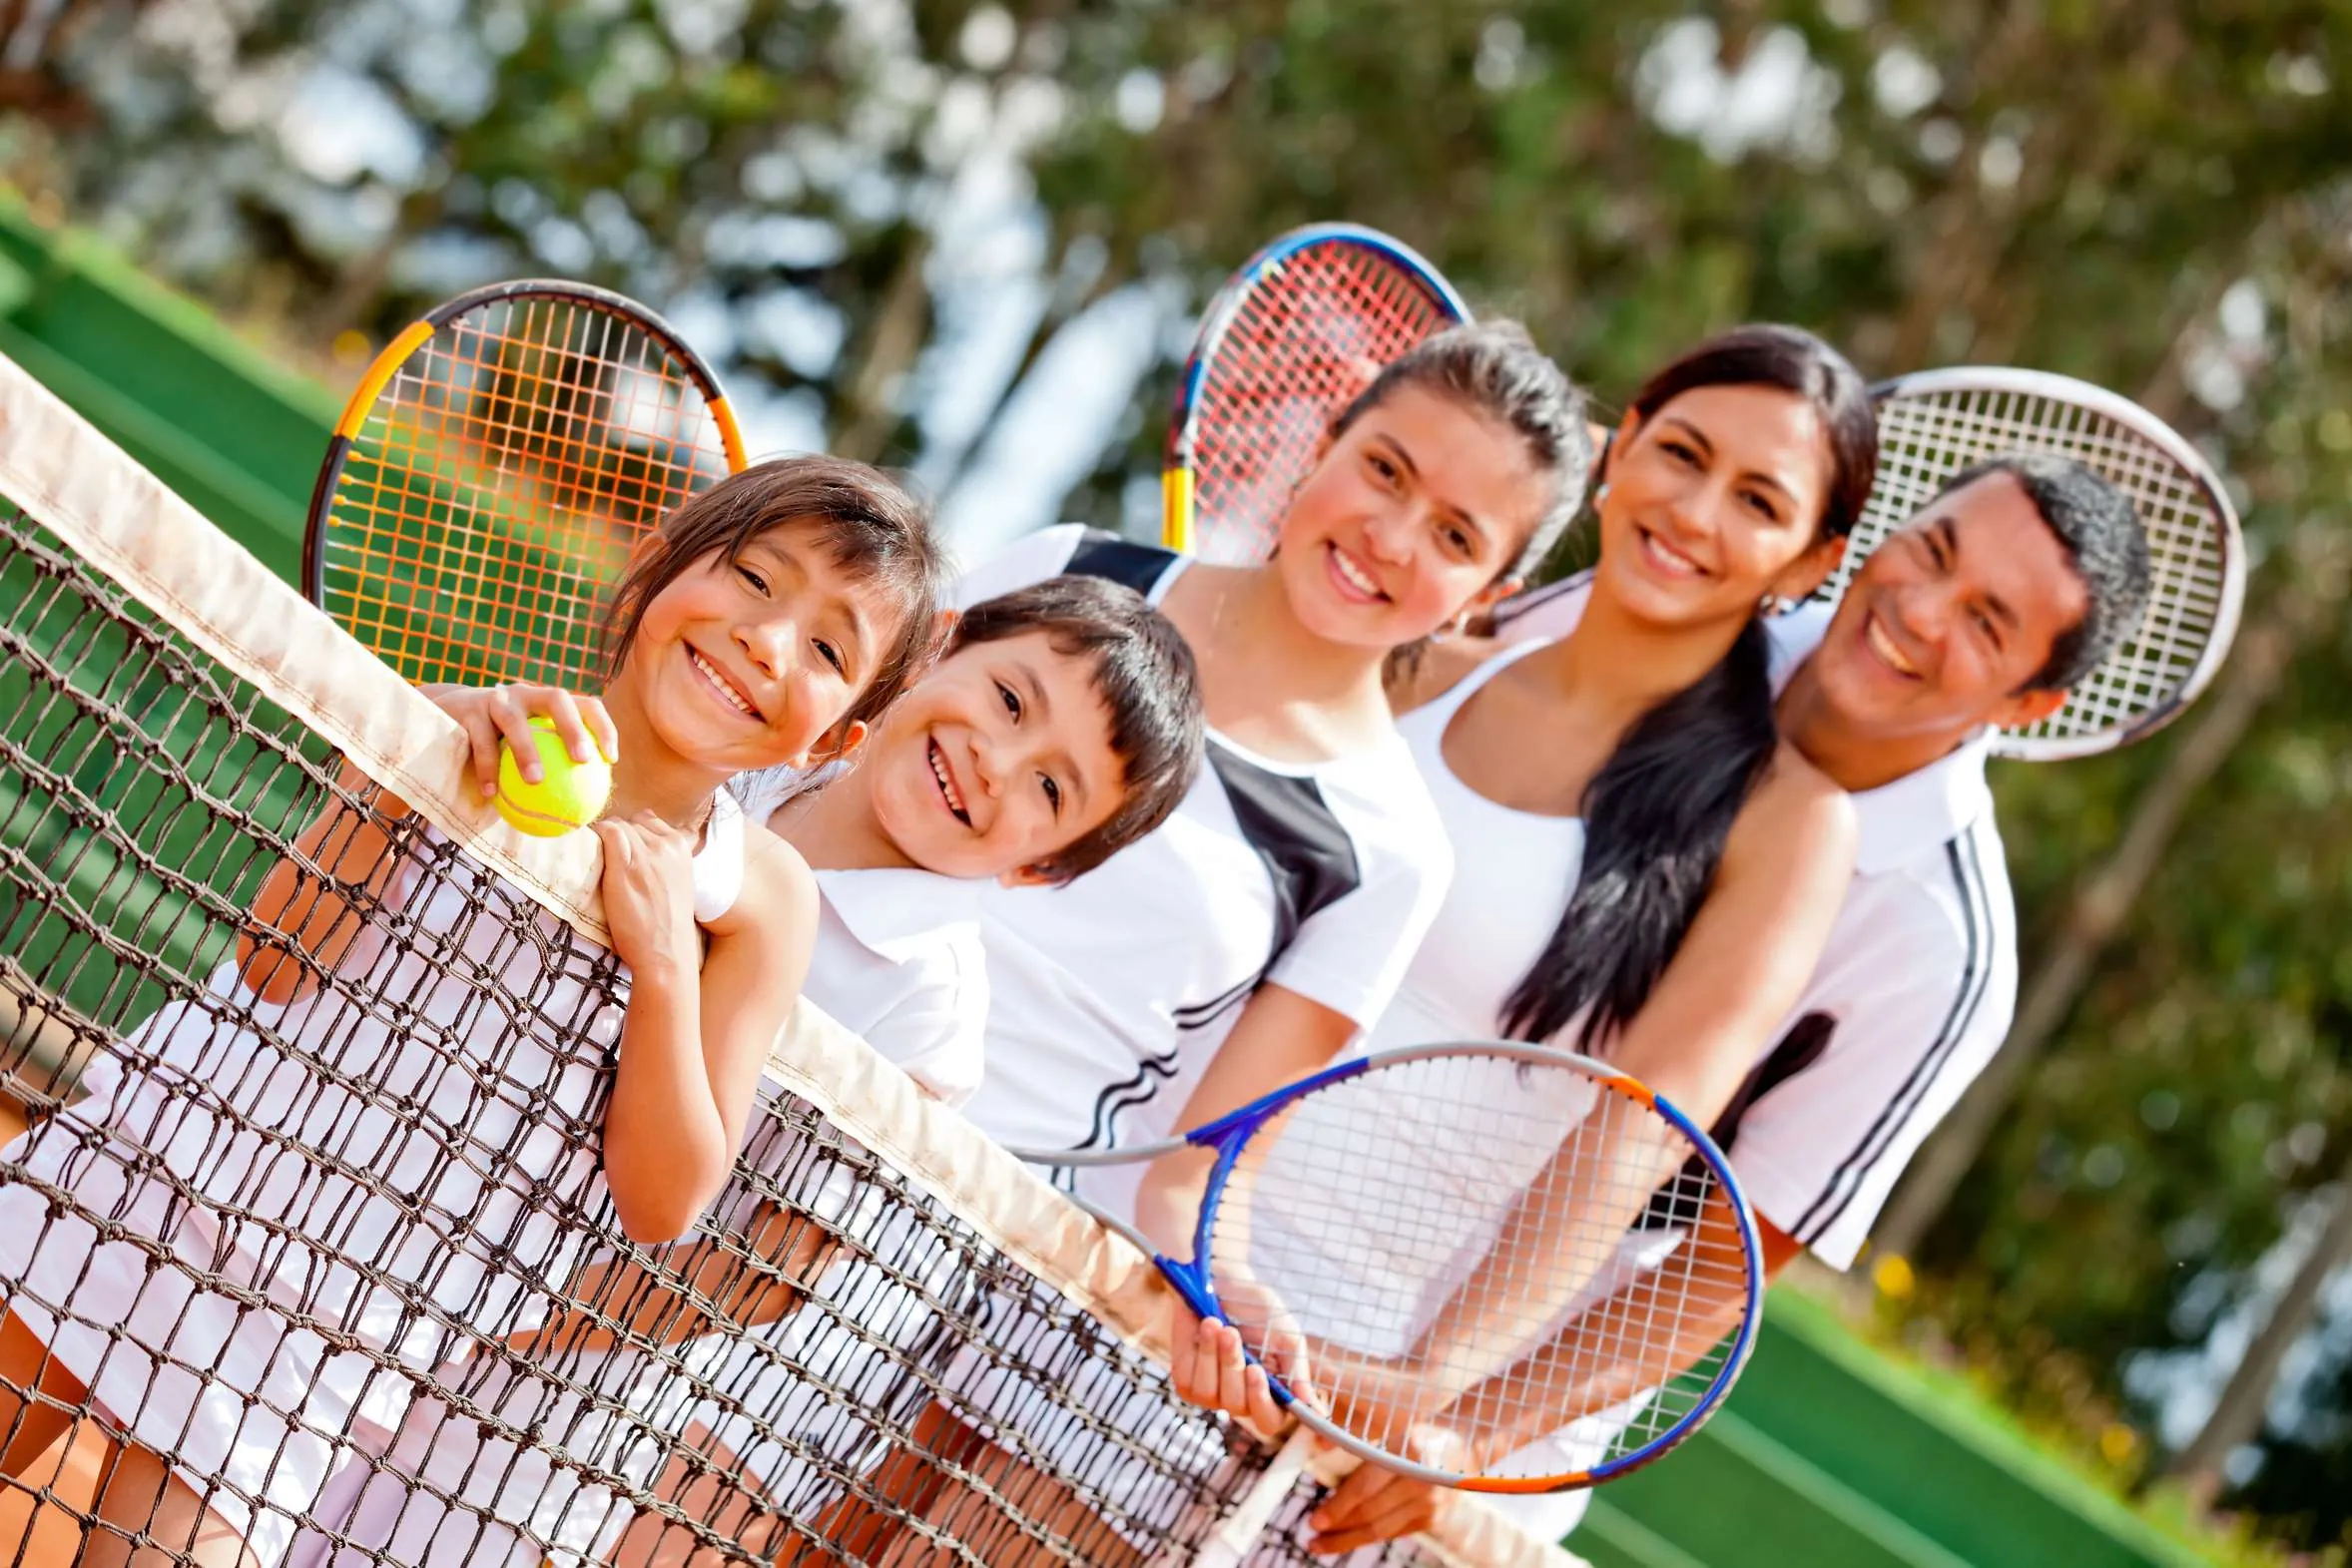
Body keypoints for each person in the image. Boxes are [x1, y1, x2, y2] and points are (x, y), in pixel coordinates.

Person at [0, 456, 945, 1568]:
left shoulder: (762, 899)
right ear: (655, 564)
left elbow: (665, 1196)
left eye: (830, 649)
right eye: (751, 576)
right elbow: (274, 958)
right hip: (144, 1180)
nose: (766, 639)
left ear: (832, 743)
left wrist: (661, 962)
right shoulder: (479, 732)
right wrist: (418, 759)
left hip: (327, 1351)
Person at [827, 321, 1599, 1565]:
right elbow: (831, 749)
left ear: (1492, 594)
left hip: (939, 1257)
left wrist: (1226, 1288)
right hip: (758, 1050)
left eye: (1457, 536)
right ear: (1331, 436)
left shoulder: (1387, 852)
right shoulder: (1081, 564)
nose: (1393, 538)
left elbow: (1192, 1168)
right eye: (1387, 469)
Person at [1293, 449, 2153, 1556]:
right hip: (1255, 1225)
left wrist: (1453, 1435)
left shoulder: (1941, 957)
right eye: (1930, 551)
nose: (1919, 610)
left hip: (1436, 1454)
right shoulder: (1690, 614)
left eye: (1986, 622)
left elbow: (1718, 1264)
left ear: (2031, 702)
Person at [296, 576, 1207, 1568]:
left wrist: (488, 1336)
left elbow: (764, 1267)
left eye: (1048, 788)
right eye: (1010, 699)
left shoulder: (935, 1010)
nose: (997, 760)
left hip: (525, 1421)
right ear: (936, 648)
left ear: (1041, 869)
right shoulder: (739, 745)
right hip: (366, 1244)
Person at [1156, 322, 1874, 1548]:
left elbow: (1632, 1136)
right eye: (1681, 453)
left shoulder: (1789, 824)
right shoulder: (1418, 665)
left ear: (1809, 560)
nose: (1694, 512)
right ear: (1618, 446)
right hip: (1144, 1248)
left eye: (1755, 499)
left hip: (1332, 1382)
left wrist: (1432, 1393)